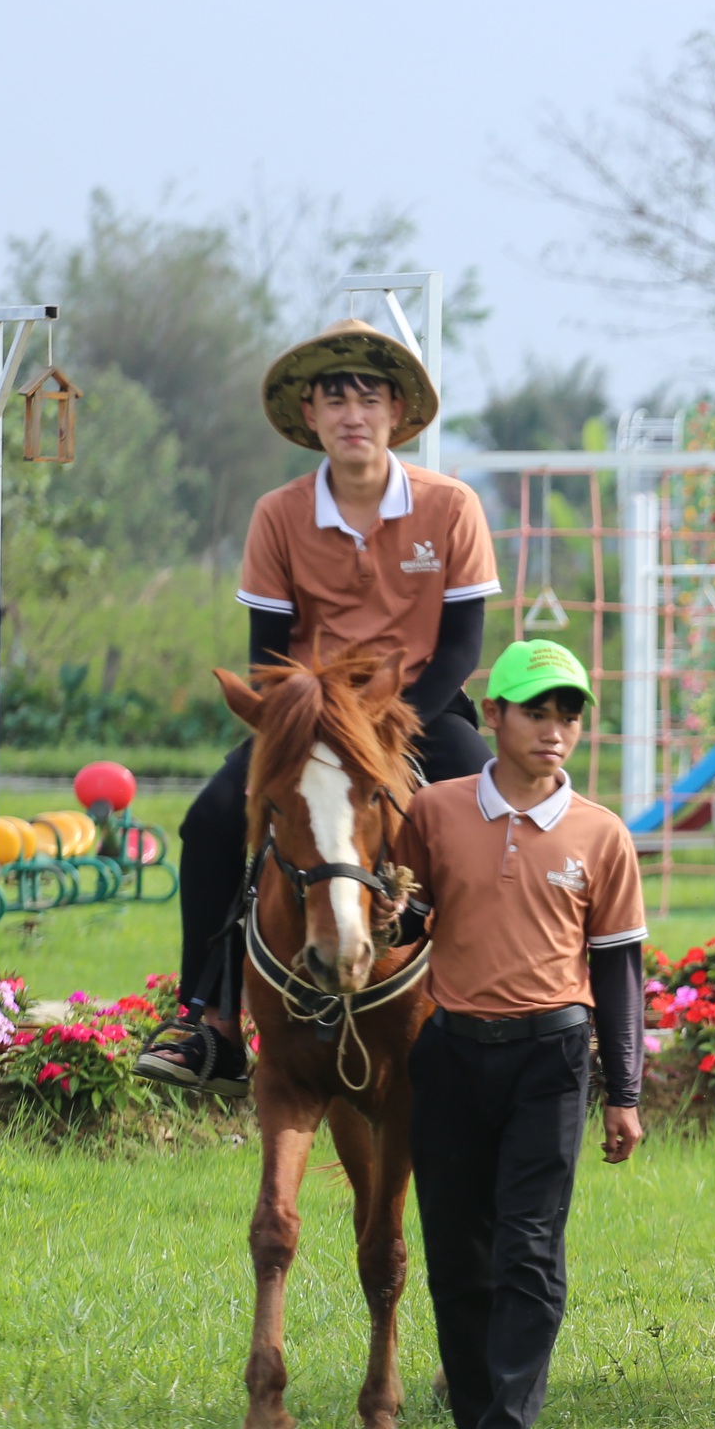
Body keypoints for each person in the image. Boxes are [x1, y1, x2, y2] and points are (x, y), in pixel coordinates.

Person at [136, 319, 500, 1096]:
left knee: (485, 808)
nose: (352, 414)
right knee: (207, 821)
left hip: (423, 712)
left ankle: (502, 1006)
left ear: (398, 411)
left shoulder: (452, 506)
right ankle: (210, 1019)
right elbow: (268, 654)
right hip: (306, 720)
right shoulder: (278, 513)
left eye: (368, 396)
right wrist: (317, 725)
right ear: (309, 416)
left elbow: (463, 647)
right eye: (333, 399)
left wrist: (387, 725)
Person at [389, 637, 648, 1429]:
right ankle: (477, 1420)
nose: (555, 727)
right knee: (454, 1255)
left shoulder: (602, 835)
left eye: (568, 711)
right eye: (537, 709)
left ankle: (506, 1427)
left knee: (529, 1247)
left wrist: (624, 1092)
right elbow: (406, 924)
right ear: (491, 714)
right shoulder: (433, 812)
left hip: (552, 1056)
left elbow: (616, 968)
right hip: (452, 1055)